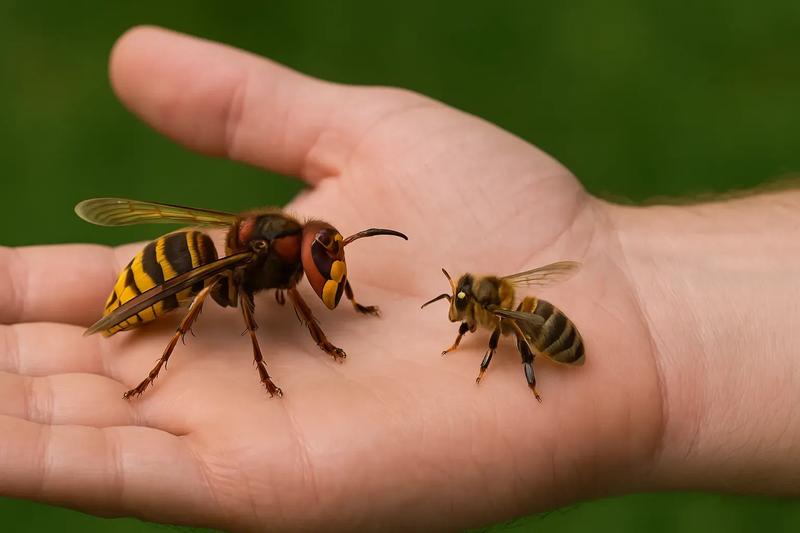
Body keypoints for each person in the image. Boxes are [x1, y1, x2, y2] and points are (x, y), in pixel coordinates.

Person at [0, 25, 798, 532]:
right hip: (183, 274)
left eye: (328, 261)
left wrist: (664, 331)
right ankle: (166, 353)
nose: (328, 271)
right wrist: (270, 355)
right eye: (322, 262)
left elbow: (319, 274)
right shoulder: (254, 267)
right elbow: (248, 297)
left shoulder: (296, 249)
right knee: (201, 297)